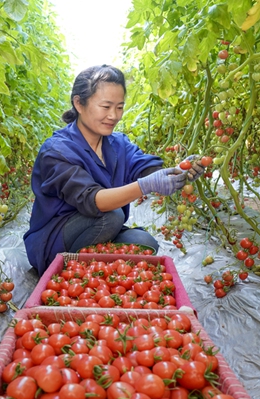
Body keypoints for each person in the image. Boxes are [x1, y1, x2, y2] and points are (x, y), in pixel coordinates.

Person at [23, 65, 204, 274]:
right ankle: (69, 271)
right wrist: (146, 185)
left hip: (100, 229)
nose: (114, 115)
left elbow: (143, 166)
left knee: (144, 242)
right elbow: (93, 201)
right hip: (56, 239)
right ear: (79, 103)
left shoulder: (117, 143)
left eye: (119, 107)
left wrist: (179, 171)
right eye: (106, 106)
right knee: (112, 216)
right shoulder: (56, 150)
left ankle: (96, 274)